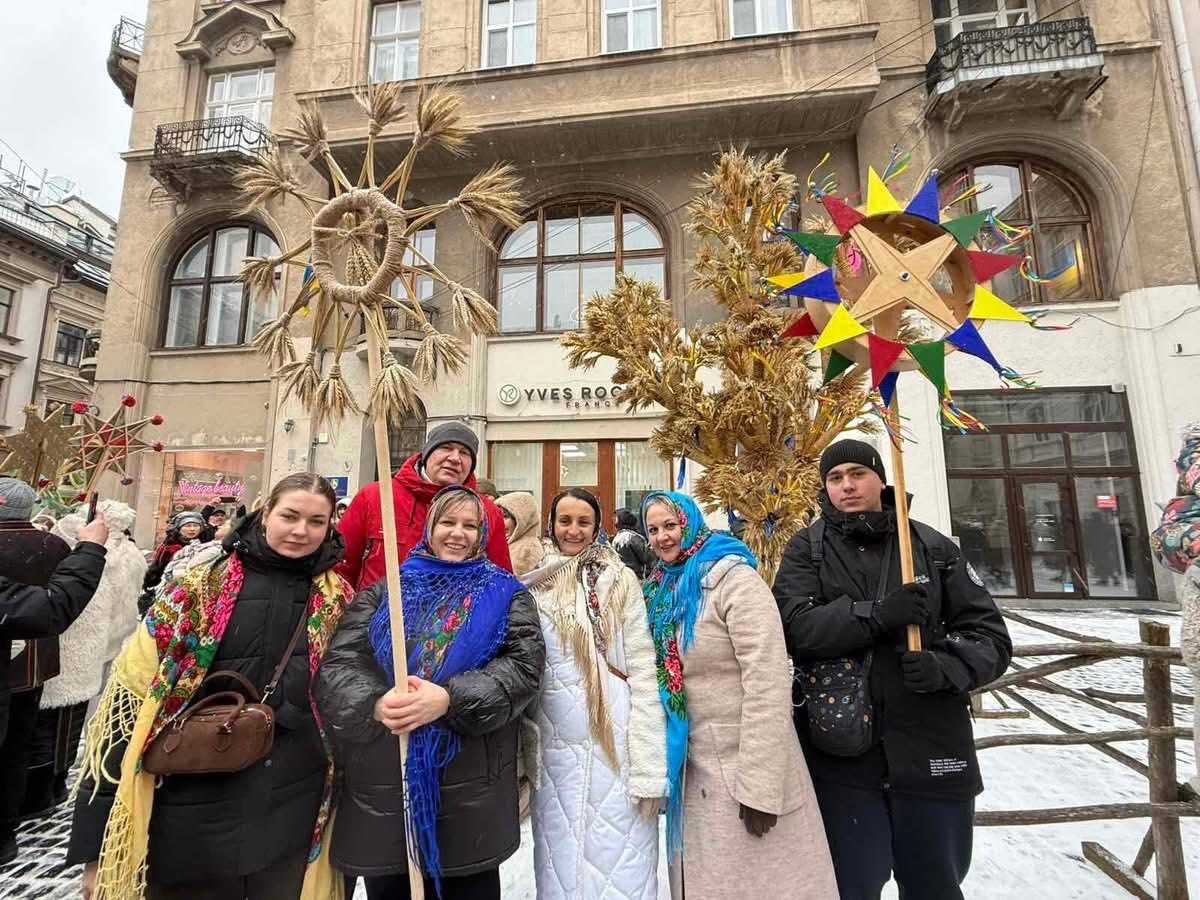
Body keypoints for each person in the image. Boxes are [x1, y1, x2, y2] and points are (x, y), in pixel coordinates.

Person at [68, 473, 355, 900]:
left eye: (316, 521)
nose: (301, 531)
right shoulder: (196, 589)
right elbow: (125, 713)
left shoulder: (339, 600)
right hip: (191, 804)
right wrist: (95, 846)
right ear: (264, 514)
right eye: (290, 516)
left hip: (295, 807)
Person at [772, 439, 1013, 900]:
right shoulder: (809, 549)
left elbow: (991, 639)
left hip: (931, 748)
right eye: (835, 478)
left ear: (880, 479)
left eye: (857, 474)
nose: (847, 486)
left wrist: (947, 667)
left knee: (936, 885)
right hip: (842, 753)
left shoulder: (930, 547)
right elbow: (796, 629)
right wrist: (876, 614)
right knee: (850, 885)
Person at [315, 486, 544, 900]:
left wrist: (449, 700)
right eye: (447, 522)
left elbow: (523, 670)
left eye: (470, 526)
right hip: (388, 784)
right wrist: (376, 702)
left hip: (470, 787)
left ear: (483, 533)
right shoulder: (387, 591)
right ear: (429, 526)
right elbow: (340, 665)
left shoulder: (508, 594)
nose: (457, 534)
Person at [641, 490, 836, 900]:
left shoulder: (734, 579)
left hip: (745, 766)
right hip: (693, 769)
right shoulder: (660, 588)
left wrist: (762, 787)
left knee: (761, 885)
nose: (662, 537)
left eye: (670, 525)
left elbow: (767, 681)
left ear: (691, 523)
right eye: (653, 529)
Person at [521, 488, 666, 900]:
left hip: (614, 744)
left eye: (583, 521)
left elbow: (641, 666)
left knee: (622, 861)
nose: (573, 530)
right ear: (551, 524)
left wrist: (648, 764)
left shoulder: (619, 579)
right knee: (559, 862)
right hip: (556, 748)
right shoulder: (534, 583)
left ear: (597, 526)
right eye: (564, 520)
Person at [0, 477, 108, 865]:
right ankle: (7, 831)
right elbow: (57, 604)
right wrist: (91, 547)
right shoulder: (54, 545)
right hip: (33, 660)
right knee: (17, 746)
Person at [22, 501, 146, 819]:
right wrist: (110, 646)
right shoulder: (127, 556)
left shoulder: (59, 540)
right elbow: (125, 614)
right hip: (89, 651)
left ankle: (35, 793)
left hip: (49, 644)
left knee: (41, 723)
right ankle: (53, 787)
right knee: (67, 725)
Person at [337, 422, 513, 590]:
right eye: (446, 447)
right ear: (426, 454)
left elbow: (502, 580)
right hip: (376, 616)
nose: (455, 458)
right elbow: (341, 569)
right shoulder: (376, 497)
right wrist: (355, 617)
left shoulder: (488, 512)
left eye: (465, 453)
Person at [142, 511, 204, 594]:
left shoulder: (195, 543)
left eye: (196, 526)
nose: (192, 529)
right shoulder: (173, 547)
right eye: (187, 526)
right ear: (179, 528)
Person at [497, 491, 544, 577]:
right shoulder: (506, 543)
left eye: (505, 516)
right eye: (497, 516)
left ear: (521, 520)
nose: (499, 521)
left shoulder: (527, 549)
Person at [612, 508, 654, 579]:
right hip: (635, 578)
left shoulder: (617, 538)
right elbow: (647, 558)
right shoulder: (633, 537)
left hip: (622, 577)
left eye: (616, 519)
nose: (614, 522)